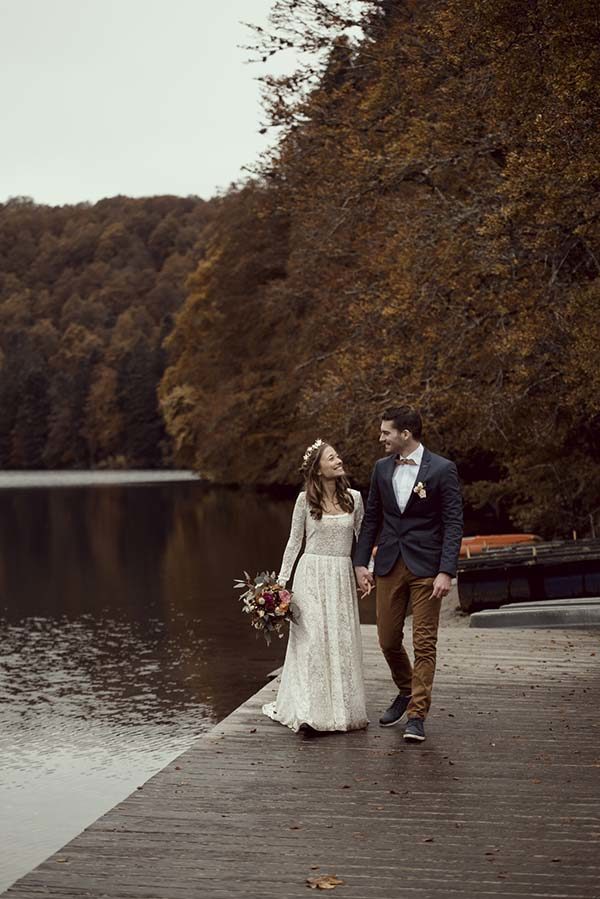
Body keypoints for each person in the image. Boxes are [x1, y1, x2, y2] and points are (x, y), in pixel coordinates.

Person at [354, 407, 463, 743]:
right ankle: (406, 689)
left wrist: (446, 571)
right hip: (388, 563)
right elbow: (372, 518)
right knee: (387, 639)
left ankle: (417, 715)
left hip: (428, 568)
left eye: (386, 432)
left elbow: (453, 523)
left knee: (424, 643)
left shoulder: (443, 470)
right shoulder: (381, 468)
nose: (380, 437)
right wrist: (360, 564)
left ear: (405, 434)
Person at [262, 439, 368, 733]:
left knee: (340, 640)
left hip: (340, 575)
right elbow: (294, 543)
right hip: (310, 575)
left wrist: (366, 572)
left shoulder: (355, 499)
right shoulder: (303, 501)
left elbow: (364, 539)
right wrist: (280, 586)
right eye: (331, 458)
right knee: (310, 642)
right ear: (318, 470)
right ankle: (309, 713)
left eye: (337, 456)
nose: (338, 460)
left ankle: (342, 712)